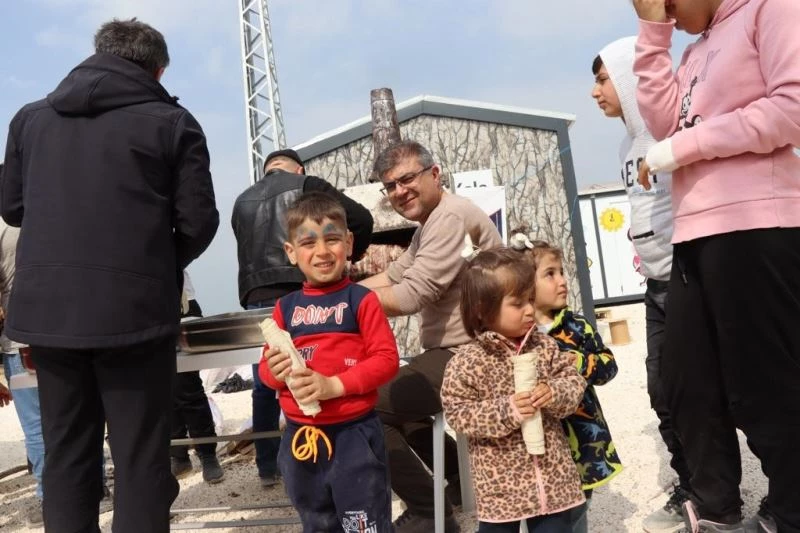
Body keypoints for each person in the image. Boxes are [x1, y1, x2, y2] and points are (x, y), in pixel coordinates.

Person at [1, 18, 218, 533]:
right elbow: (198, 222)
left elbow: (11, 208)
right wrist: (152, 266)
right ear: (157, 69)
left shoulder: (30, 119)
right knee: (140, 457)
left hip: (49, 314)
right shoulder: (172, 122)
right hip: (134, 314)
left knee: (67, 455)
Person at [632, 0, 800, 531]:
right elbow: (663, 126)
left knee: (764, 380)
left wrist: (687, 146)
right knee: (688, 382)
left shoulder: (771, 9)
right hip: (693, 232)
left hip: (756, 221)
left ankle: (792, 510)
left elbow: (792, 108)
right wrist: (652, 33)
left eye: (666, 3)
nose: (666, 11)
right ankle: (715, 508)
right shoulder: (693, 50)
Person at [360, 140, 503, 533]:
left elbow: (411, 294)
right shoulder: (432, 222)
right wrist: (335, 295)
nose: (399, 191)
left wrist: (343, 307)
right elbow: (395, 274)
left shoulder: (449, 218)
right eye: (390, 185)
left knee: (362, 405)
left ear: (435, 174)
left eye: (407, 179)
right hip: (457, 349)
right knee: (395, 394)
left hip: (475, 353)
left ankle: (427, 508)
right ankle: (458, 479)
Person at [589, 36, 691, 532]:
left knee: (704, 390)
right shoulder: (626, 145)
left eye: (603, 79)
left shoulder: (667, 131)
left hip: (690, 277)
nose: (595, 92)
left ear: (630, 78)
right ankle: (692, 486)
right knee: (660, 389)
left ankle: (725, 491)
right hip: (655, 285)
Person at [232, 148, 373, 488]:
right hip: (303, 286)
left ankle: (269, 465)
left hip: (256, 292)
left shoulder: (242, 200)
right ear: (299, 169)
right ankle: (328, 449)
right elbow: (361, 219)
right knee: (319, 364)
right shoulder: (307, 184)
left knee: (269, 378)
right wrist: (349, 256)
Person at [259, 191, 399, 532]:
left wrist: (333, 385)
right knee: (317, 521)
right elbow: (265, 370)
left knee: (363, 523)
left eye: (332, 239)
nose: (322, 251)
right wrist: (275, 373)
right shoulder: (285, 308)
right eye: (308, 243)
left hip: (353, 436)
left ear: (348, 244)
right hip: (300, 439)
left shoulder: (361, 300)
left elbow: (386, 360)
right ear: (291, 252)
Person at [441, 247, 585, 532]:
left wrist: (554, 392)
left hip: (553, 481)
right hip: (500, 490)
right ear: (481, 308)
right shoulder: (468, 360)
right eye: (518, 303)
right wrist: (508, 410)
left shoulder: (544, 346)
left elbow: (573, 382)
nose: (530, 309)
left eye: (530, 299)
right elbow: (458, 413)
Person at [511, 234, 621, 533]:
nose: (562, 281)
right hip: (539, 444)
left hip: (582, 439)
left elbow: (609, 366)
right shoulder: (517, 333)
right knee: (543, 509)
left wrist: (581, 362)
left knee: (576, 508)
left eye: (561, 272)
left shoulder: (577, 325)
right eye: (550, 274)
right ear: (524, 285)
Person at [170, 271, 224, 484]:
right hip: (146, 308)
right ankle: (178, 454)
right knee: (161, 389)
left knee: (187, 386)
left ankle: (207, 453)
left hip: (182, 304)